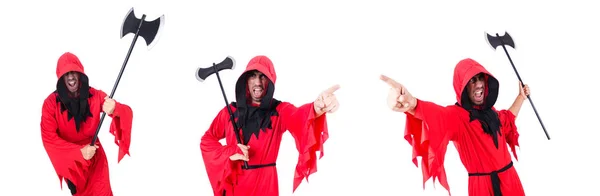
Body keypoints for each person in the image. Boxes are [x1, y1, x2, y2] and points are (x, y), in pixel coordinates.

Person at [380, 58, 530, 196]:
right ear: (462, 86)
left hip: (511, 181)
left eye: (480, 79)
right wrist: (412, 104)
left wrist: (520, 97)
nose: (478, 84)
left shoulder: (491, 112)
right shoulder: (456, 116)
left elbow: (508, 118)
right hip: (483, 188)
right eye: (472, 80)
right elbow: (437, 115)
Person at [200, 55, 340, 196]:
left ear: (271, 80)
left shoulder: (279, 110)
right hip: (235, 188)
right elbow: (207, 140)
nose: (258, 82)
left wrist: (316, 108)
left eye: (263, 76)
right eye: (253, 76)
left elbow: (298, 117)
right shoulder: (229, 112)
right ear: (245, 80)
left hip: (265, 188)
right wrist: (229, 151)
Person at [40, 52, 134, 196]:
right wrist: (78, 153)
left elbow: (127, 112)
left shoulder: (94, 95)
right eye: (66, 73)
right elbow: (49, 139)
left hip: (95, 160)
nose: (70, 76)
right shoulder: (50, 104)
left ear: (80, 74)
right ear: (61, 78)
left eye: (73, 72)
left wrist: (116, 108)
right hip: (73, 164)